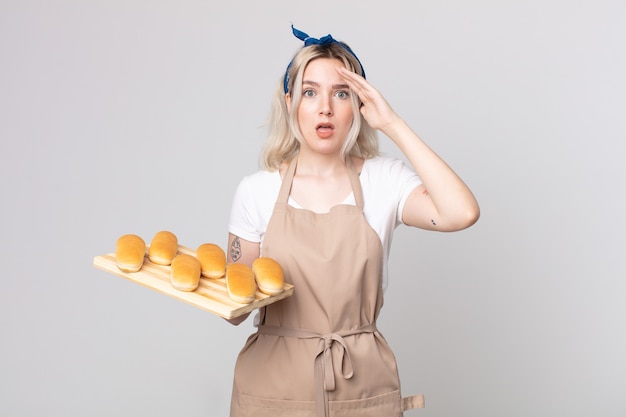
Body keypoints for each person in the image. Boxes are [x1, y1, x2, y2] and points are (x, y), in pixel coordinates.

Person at [225, 25, 480, 417]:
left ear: (358, 104)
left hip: (362, 384)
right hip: (273, 390)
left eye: (340, 93)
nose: (325, 107)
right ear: (290, 102)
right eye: (310, 92)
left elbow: (461, 212)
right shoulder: (256, 191)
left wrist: (392, 123)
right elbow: (237, 311)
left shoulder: (383, 180)